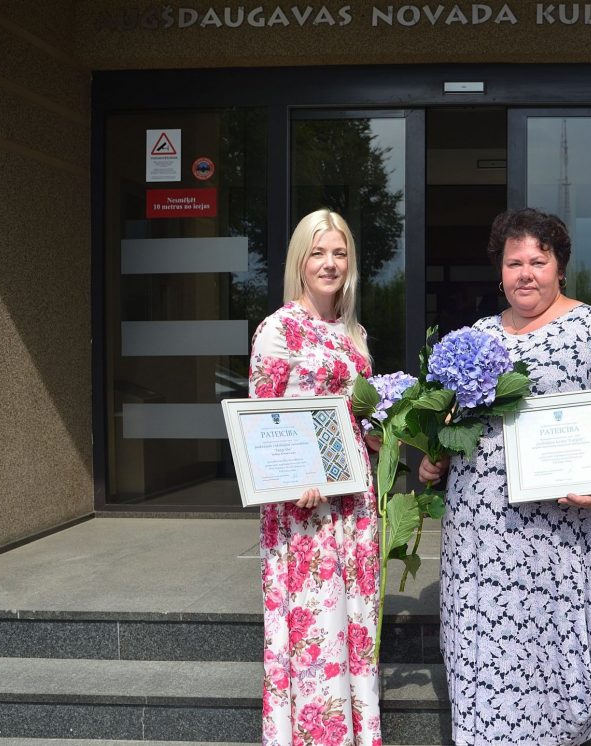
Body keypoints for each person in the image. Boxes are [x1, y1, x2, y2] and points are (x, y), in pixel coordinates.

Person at [419, 208, 591, 746]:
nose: (525, 274)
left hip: (557, 528)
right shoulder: (479, 334)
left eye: (537, 262)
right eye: (513, 263)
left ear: (559, 268)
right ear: (499, 272)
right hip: (479, 531)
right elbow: (452, 418)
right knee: (482, 639)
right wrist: (437, 455)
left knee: (553, 641)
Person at [248, 209, 382, 746]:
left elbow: (358, 419)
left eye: (339, 253)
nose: (329, 263)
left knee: (354, 623)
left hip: (355, 502)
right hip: (304, 509)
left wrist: (384, 434)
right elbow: (262, 423)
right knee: (316, 629)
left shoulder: (354, 332)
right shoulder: (278, 329)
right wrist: (291, 479)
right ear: (299, 263)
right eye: (318, 253)